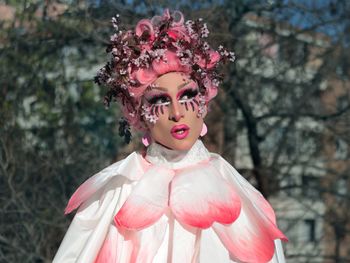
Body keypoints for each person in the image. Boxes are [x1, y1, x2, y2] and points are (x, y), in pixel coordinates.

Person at [53, 9, 287, 263]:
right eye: (160, 101)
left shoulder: (240, 194)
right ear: (138, 114)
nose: (177, 113)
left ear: (204, 102)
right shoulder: (117, 193)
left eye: (187, 96)